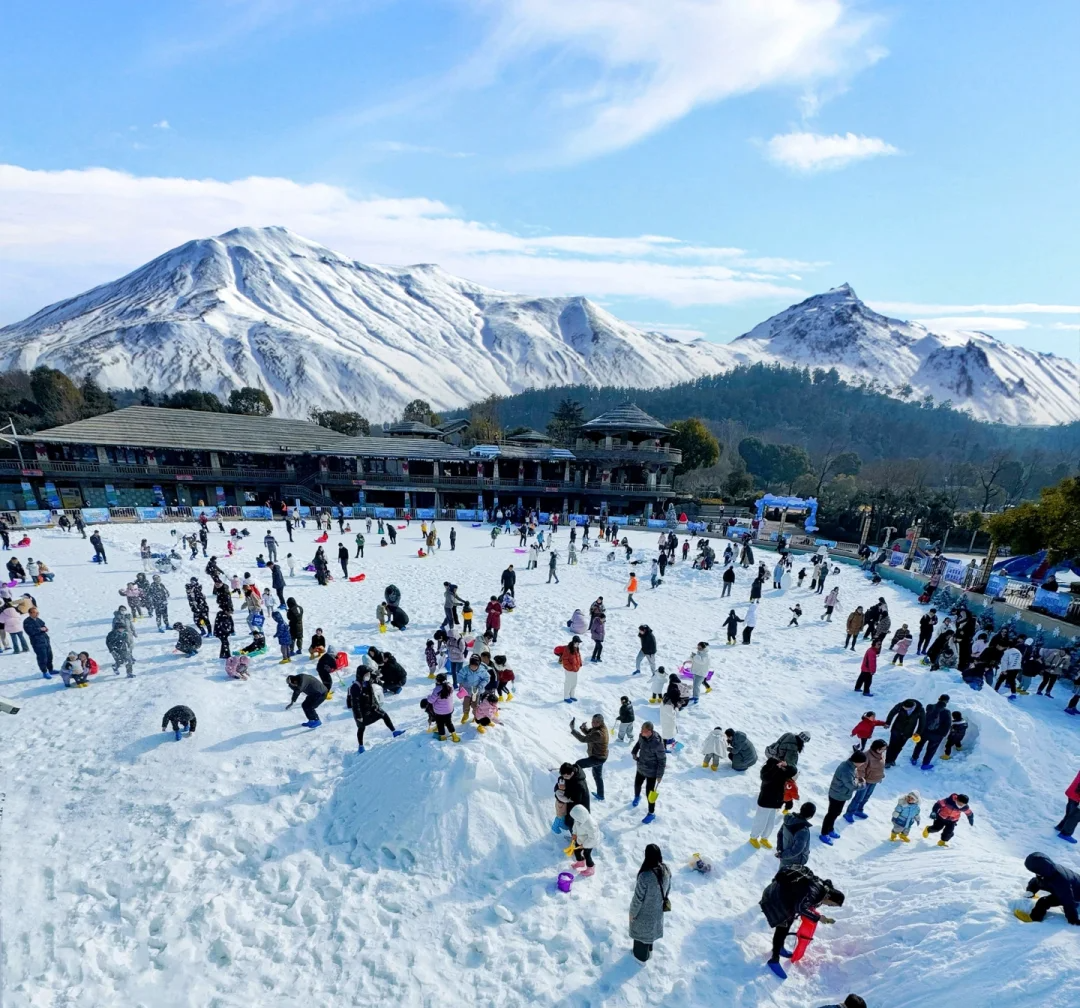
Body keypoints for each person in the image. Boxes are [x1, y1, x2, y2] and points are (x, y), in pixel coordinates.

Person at [759, 865, 845, 976]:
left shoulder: (822, 889)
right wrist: (818, 918)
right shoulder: (816, 892)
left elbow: (803, 900)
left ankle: (779, 947)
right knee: (782, 927)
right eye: (832, 904)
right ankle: (774, 959)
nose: (829, 906)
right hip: (775, 898)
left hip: (782, 896)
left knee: (787, 924)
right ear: (830, 897)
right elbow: (800, 908)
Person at [629, 844, 670, 962]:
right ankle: (649, 951)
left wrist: (632, 913)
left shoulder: (645, 876)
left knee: (641, 939)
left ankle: (640, 959)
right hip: (657, 912)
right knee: (650, 935)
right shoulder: (666, 869)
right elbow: (668, 889)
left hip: (644, 915)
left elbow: (638, 899)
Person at [347, 668, 404, 753]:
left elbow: (374, 676)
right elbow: (355, 704)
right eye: (366, 675)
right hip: (361, 714)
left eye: (368, 674)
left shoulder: (367, 681)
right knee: (361, 728)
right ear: (361, 675)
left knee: (384, 715)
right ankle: (361, 746)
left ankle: (394, 732)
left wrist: (377, 672)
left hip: (372, 708)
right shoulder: (355, 687)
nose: (368, 676)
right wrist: (359, 716)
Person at [1015, 852, 1080, 924]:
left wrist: (1073, 920)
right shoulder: (1049, 870)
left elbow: (1068, 901)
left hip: (1076, 894)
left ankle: (1034, 918)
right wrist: (1031, 891)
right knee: (1043, 882)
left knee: (1043, 902)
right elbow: (1037, 881)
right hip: (1072, 886)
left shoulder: (1060, 881)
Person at [820, 751, 866, 844]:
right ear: (857, 761)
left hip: (841, 794)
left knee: (836, 813)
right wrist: (862, 784)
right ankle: (824, 833)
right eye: (862, 762)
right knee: (831, 814)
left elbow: (852, 778)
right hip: (837, 795)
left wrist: (857, 778)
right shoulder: (846, 770)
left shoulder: (850, 766)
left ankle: (830, 829)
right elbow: (851, 786)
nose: (862, 764)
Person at [750, 756, 797, 849]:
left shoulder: (782, 771)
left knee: (770, 823)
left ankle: (764, 838)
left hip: (775, 803)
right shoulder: (766, 770)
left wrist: (787, 766)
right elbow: (766, 778)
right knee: (760, 822)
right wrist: (775, 768)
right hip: (765, 802)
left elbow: (793, 771)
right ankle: (753, 838)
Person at [631, 722, 666, 824]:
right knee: (637, 784)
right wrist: (634, 752)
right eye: (641, 730)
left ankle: (651, 813)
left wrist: (659, 775)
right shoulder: (642, 736)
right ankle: (637, 796)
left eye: (643, 731)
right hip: (641, 767)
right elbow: (638, 744)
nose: (641, 732)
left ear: (649, 732)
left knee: (649, 793)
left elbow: (662, 760)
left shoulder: (657, 744)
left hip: (652, 772)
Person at [845, 739, 886, 821]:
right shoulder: (867, 756)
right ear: (876, 748)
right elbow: (860, 769)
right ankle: (849, 813)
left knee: (866, 797)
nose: (883, 750)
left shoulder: (881, 755)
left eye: (884, 749)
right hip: (865, 781)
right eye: (882, 749)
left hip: (874, 781)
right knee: (859, 798)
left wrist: (881, 776)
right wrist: (861, 781)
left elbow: (880, 767)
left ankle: (859, 810)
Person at [570, 713, 608, 801]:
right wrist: (584, 728)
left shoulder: (599, 733)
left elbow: (584, 739)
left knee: (578, 765)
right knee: (597, 776)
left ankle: (574, 785)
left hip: (597, 758)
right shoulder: (599, 728)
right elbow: (590, 734)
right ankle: (601, 795)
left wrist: (573, 730)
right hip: (601, 757)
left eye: (596, 722)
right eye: (593, 721)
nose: (594, 723)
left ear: (601, 722)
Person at [911, 694, 951, 769]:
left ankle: (914, 759)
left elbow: (923, 719)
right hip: (936, 735)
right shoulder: (947, 712)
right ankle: (925, 764)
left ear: (939, 698)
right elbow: (948, 725)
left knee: (919, 745)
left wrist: (919, 731)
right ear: (947, 702)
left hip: (924, 731)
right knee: (931, 750)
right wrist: (942, 735)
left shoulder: (929, 707)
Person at [884, 698, 924, 767]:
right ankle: (887, 761)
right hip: (896, 729)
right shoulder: (901, 704)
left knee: (899, 746)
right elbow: (892, 712)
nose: (903, 708)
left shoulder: (920, 710)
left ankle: (893, 760)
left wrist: (918, 732)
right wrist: (888, 722)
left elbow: (922, 722)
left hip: (907, 732)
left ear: (911, 707)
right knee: (892, 745)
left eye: (905, 708)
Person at [776, 802, 816, 867]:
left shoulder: (789, 820)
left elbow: (780, 834)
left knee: (781, 874)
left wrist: (780, 850)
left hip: (785, 854)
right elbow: (797, 850)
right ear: (811, 816)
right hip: (795, 861)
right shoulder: (803, 830)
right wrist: (782, 855)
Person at [425, 673, 460, 742]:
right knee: (449, 722)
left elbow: (431, 700)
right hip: (449, 710)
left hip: (439, 712)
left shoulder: (437, 690)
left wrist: (428, 696)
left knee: (440, 724)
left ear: (437, 681)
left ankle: (443, 737)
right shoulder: (450, 686)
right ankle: (454, 736)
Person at [568, 802, 599, 877]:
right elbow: (575, 826)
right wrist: (574, 833)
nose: (575, 819)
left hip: (589, 842)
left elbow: (593, 838)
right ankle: (580, 862)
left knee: (586, 854)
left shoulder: (591, 825)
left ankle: (591, 868)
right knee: (576, 850)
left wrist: (584, 845)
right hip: (580, 838)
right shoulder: (579, 819)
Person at [24, 606, 56, 678]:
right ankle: (44, 671)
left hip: (45, 640)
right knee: (42, 657)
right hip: (37, 642)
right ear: (30, 613)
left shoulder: (38, 619)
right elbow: (30, 632)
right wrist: (40, 629)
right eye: (35, 613)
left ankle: (51, 669)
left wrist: (45, 628)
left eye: (37, 612)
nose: (37, 614)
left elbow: (43, 625)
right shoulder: (27, 622)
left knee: (49, 656)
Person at [1054, 769, 1080, 843]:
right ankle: (1065, 834)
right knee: (1076, 816)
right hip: (1077, 794)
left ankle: (1060, 826)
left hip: (1073, 792)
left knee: (1070, 812)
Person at [556, 636, 582, 702]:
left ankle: (572, 695)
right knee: (568, 683)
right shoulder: (568, 649)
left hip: (575, 669)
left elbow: (578, 656)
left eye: (578, 643)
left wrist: (580, 664)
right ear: (574, 642)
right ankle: (566, 697)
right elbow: (565, 660)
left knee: (574, 683)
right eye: (577, 643)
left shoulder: (576, 648)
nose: (578, 644)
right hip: (569, 670)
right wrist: (570, 667)